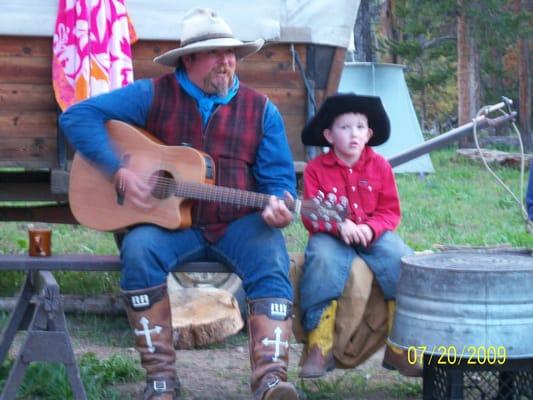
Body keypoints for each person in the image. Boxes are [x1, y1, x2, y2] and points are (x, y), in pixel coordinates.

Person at [60, 8, 299, 400]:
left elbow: (279, 182)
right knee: (138, 251)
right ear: (189, 59)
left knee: (271, 257)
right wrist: (118, 170)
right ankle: (161, 380)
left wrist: (282, 206)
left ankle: (271, 381)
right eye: (216, 53)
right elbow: (78, 117)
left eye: (232, 53)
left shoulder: (262, 110)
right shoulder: (152, 94)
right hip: (171, 226)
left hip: (237, 222)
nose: (227, 62)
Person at [297, 93, 421, 378]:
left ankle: (400, 346)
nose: (354, 133)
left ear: (370, 134)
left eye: (360, 127)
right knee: (322, 261)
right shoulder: (316, 170)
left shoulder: (380, 166)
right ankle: (321, 346)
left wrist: (370, 228)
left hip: (371, 232)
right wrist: (339, 225)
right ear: (328, 135)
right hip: (330, 233)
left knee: (401, 260)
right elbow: (310, 211)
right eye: (344, 127)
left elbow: (390, 211)